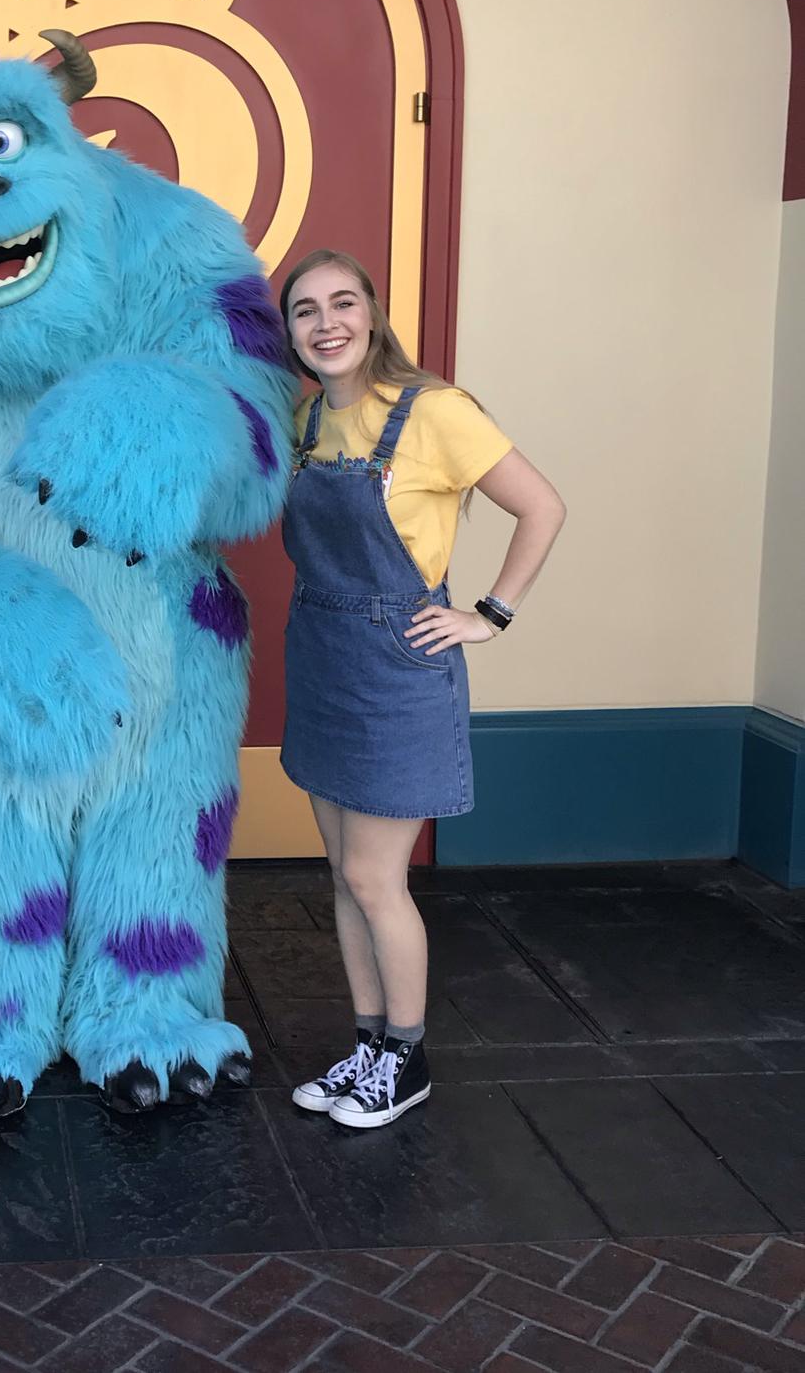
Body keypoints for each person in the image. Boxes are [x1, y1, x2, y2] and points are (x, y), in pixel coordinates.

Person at [280, 249, 564, 1129]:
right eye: (304, 310)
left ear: (373, 315)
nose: (326, 323)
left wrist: (491, 613)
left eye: (342, 303)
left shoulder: (434, 411)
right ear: (289, 331)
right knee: (342, 873)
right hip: (323, 655)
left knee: (375, 878)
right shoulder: (305, 422)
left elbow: (542, 506)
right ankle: (369, 1047)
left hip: (396, 669)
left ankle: (407, 1056)